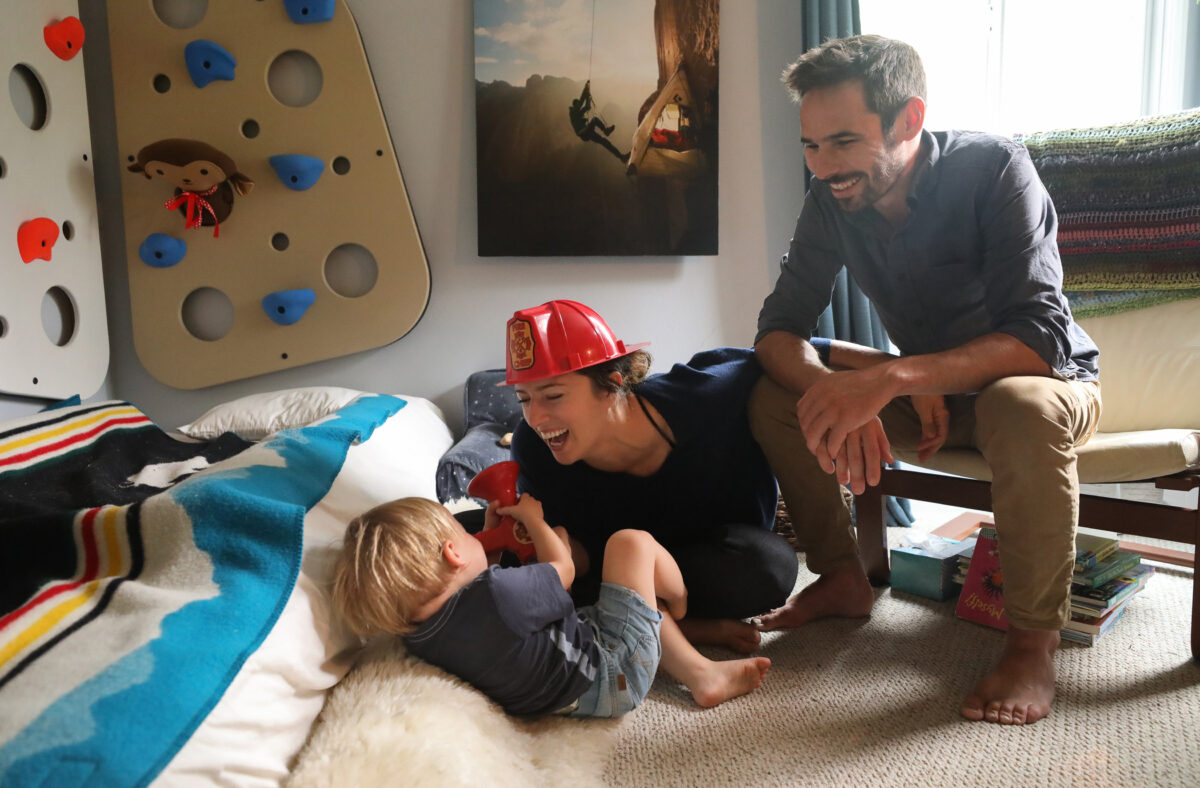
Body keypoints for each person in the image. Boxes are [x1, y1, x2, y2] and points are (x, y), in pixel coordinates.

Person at [749, 35, 1101, 726]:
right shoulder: (830, 200)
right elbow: (777, 329)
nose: (824, 167)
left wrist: (893, 377)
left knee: (1020, 405)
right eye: (811, 146)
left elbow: (1039, 338)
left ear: (909, 120)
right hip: (930, 396)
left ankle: (1033, 642)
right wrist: (838, 389)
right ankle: (843, 576)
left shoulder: (995, 167)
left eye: (843, 142)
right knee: (776, 397)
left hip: (1047, 384)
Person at [507, 299, 799, 655]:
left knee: (769, 567)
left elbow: (797, 352)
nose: (535, 418)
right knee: (483, 557)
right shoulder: (531, 446)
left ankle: (644, 624)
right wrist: (531, 542)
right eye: (523, 399)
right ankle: (681, 629)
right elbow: (570, 558)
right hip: (612, 573)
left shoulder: (700, 394)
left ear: (611, 386)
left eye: (552, 395)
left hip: (708, 558)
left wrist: (887, 373)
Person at [331, 495, 770, 717]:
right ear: (453, 553)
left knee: (610, 603)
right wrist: (534, 520)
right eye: (463, 535)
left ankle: (694, 660)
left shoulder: (420, 634)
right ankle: (678, 607)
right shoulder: (501, 598)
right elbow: (563, 570)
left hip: (562, 698)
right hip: (610, 675)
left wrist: (491, 534)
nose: (473, 539)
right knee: (629, 545)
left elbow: (481, 591)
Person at [569, 80, 628, 162]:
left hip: (586, 133)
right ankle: (605, 130)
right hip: (584, 132)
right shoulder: (574, 111)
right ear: (575, 105)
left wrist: (588, 98)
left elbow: (587, 107)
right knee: (594, 119)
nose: (580, 107)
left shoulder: (578, 113)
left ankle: (621, 157)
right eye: (578, 105)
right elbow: (581, 101)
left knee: (604, 142)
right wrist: (586, 89)